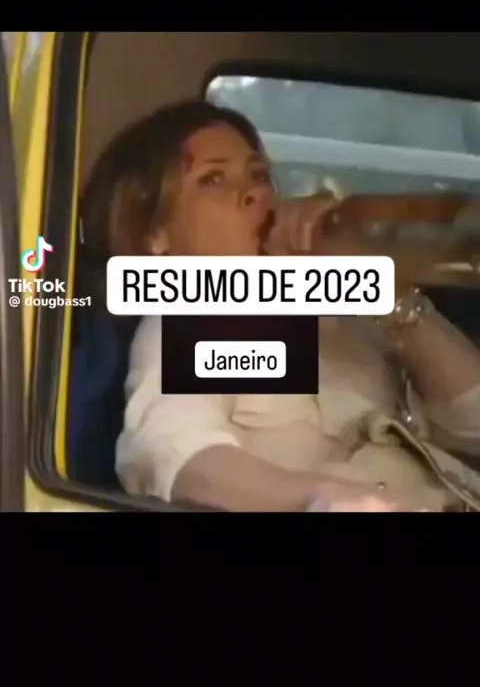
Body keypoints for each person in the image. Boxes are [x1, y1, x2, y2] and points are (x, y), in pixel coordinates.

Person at [82, 99, 480, 512]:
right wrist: (323, 496)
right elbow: (177, 454)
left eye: (258, 175)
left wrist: (384, 292)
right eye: (213, 179)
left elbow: (472, 426)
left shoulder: (336, 306)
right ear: (155, 235)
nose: (254, 192)